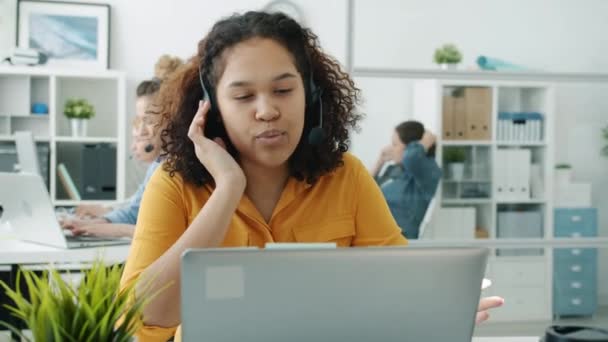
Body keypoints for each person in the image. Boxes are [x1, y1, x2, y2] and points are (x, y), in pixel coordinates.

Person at [119, 11, 503, 341]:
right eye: (243, 96)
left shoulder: (347, 177)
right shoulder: (173, 183)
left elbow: (396, 290)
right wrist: (228, 191)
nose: (267, 110)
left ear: (311, 95)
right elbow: (140, 318)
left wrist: (431, 314)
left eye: (284, 90)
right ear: (212, 108)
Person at [61, 55, 183, 238]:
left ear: (172, 118)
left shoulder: (177, 167)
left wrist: (97, 226)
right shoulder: (160, 164)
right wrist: (94, 223)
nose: (141, 130)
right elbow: (134, 211)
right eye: (138, 120)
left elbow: (160, 232)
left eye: (148, 121)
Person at [371, 121, 442, 239]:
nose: (390, 149)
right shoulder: (394, 170)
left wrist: (424, 142)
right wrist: (380, 161)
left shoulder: (425, 173)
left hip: (397, 243)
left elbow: (411, 158)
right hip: (373, 237)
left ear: (411, 146)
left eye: (395, 144)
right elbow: (364, 192)